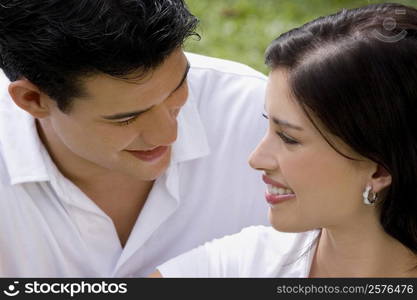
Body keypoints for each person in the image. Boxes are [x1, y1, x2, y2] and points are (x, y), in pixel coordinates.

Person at [0, 0, 269, 277]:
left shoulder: (260, 118)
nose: (169, 134)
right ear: (32, 100)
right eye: (126, 118)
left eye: (177, 89)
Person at [152, 2, 417, 277]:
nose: (256, 159)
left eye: (289, 138)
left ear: (379, 170)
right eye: (268, 126)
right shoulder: (240, 266)